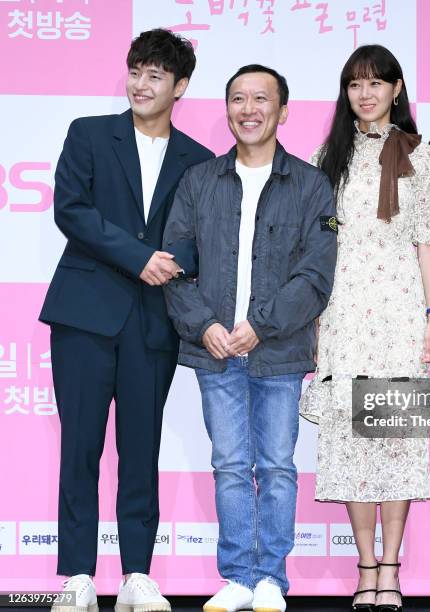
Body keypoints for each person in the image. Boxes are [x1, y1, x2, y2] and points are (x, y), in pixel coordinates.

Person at [39, 28, 214, 612]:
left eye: (156, 75)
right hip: (85, 317)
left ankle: (138, 574)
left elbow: (201, 238)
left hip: (152, 323)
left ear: (180, 86)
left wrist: (172, 262)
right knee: (80, 447)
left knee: (141, 450)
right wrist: (140, 257)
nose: (142, 84)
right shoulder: (89, 134)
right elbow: (72, 211)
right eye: (136, 71)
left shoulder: (198, 159)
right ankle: (78, 577)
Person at [163, 64, 337, 612]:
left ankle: (271, 580)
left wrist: (261, 324)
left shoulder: (311, 184)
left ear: (283, 111)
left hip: (278, 350)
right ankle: (238, 576)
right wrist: (206, 326)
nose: (249, 108)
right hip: (215, 351)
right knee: (232, 464)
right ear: (228, 109)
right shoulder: (199, 181)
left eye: (262, 99)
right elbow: (175, 267)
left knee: (279, 466)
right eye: (238, 98)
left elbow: (316, 274)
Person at [299, 45, 430, 612]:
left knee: (393, 440)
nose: (365, 94)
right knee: (347, 444)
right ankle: (366, 568)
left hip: (399, 312)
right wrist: (315, 314)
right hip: (341, 313)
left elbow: (429, 243)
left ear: (396, 88)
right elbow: (315, 243)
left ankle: (392, 569)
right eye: (355, 85)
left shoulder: (424, 158)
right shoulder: (326, 158)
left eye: (375, 83)